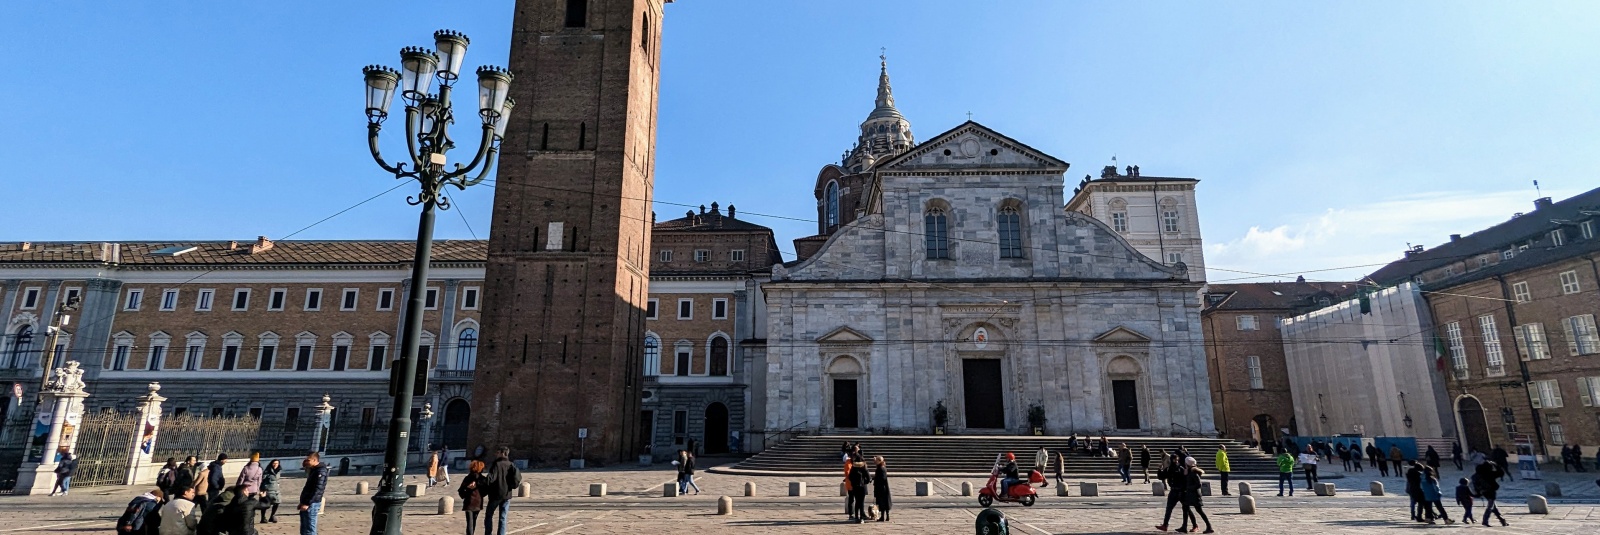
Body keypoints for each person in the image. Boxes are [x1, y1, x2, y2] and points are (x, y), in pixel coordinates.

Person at [482, 446, 521, 535]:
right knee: (503, 517)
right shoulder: (511, 464)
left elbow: (491, 479)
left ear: (503, 453)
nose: (496, 454)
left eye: (498, 452)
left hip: (496, 494)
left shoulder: (497, 464)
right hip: (507, 494)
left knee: (489, 515)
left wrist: (481, 483)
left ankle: (488, 533)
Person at [1180, 458, 1215, 534]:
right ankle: (1184, 526)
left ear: (1187, 464)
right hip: (1190, 494)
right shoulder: (1189, 471)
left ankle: (1209, 527)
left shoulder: (1193, 472)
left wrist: (1189, 488)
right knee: (1185, 508)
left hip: (1194, 495)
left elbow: (1198, 484)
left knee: (1199, 510)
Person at [298, 452, 328, 535]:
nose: (306, 462)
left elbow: (317, 489)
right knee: (304, 528)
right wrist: (302, 501)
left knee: (310, 528)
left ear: (314, 460)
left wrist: (307, 503)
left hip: (312, 503)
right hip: (307, 501)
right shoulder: (314, 470)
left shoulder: (320, 471)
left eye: (308, 460)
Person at [1472, 460, 1508, 526]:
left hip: (1483, 492)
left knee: (1493, 506)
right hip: (1491, 491)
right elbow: (1501, 473)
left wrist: (1478, 493)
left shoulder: (1475, 475)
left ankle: (1502, 520)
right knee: (1490, 506)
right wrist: (1495, 465)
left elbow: (1475, 485)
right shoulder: (1490, 473)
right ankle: (1485, 520)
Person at [1156, 455, 1187, 531]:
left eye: (1177, 460)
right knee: (1169, 508)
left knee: (1187, 509)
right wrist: (1159, 469)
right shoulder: (1169, 469)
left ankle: (1190, 525)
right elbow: (1161, 477)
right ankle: (1165, 525)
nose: (1176, 461)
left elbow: (1185, 480)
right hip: (1173, 491)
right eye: (1174, 460)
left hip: (1181, 491)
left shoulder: (1181, 469)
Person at [458, 460, 487, 535]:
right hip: (478, 502)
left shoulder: (467, 478)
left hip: (469, 502)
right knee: (474, 521)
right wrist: (481, 495)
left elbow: (461, 491)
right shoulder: (483, 479)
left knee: (469, 522)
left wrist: (467, 490)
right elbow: (486, 491)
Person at [259, 460, 282, 524]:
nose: (275, 464)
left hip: (276, 491)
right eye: (274, 463)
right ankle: (263, 518)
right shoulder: (267, 471)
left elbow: (278, 480)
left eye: (277, 463)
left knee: (277, 503)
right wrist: (261, 490)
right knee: (265, 504)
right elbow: (262, 480)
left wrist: (278, 485)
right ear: (271, 464)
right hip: (267, 490)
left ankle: (272, 516)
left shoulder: (279, 471)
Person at [872, 456, 892, 522]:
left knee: (882, 502)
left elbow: (882, 478)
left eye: (876, 460)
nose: (875, 462)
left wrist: (876, 480)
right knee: (885, 502)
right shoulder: (882, 467)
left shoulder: (880, 468)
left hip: (881, 488)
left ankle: (883, 517)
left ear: (879, 461)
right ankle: (887, 516)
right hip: (884, 487)